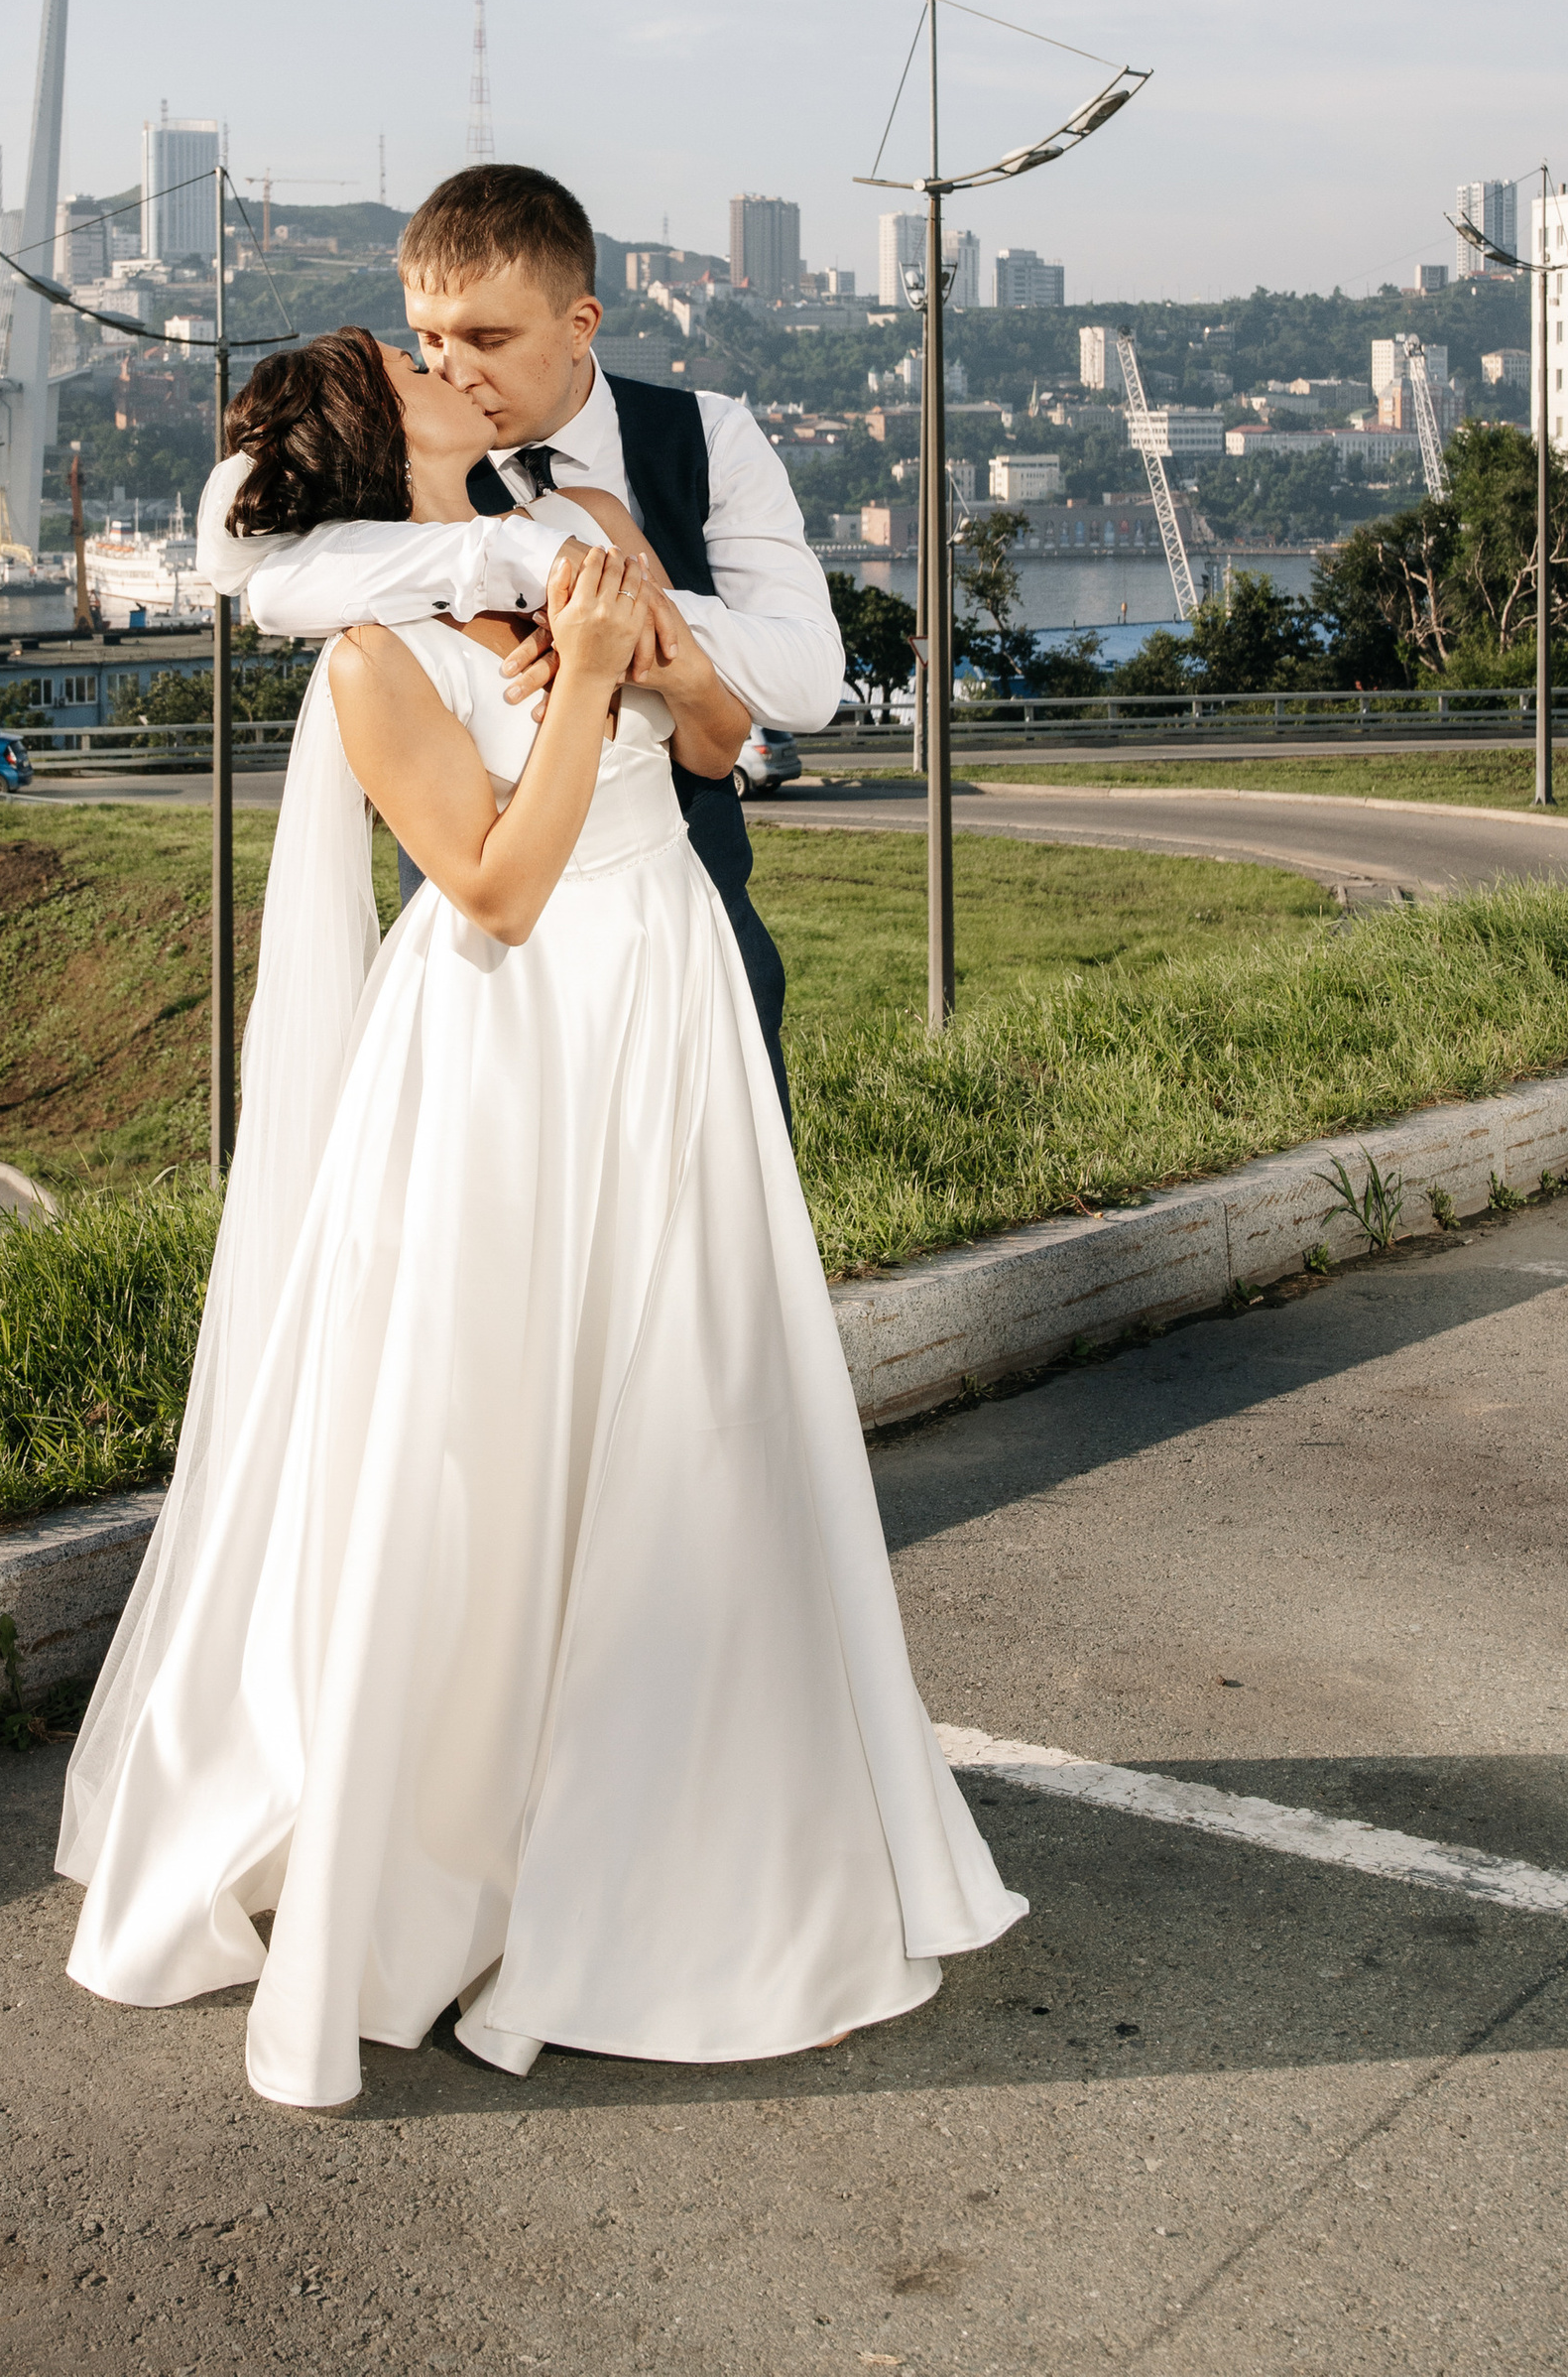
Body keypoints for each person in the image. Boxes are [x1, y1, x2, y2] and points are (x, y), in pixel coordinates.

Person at [57, 325, 1021, 2109]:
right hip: (516, 1040)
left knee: (703, 1409)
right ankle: (478, 1855)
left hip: (669, 996)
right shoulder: (367, 654)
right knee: (496, 1439)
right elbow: (494, 890)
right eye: (413, 361)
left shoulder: (576, 509)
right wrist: (583, 677)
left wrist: (656, 657)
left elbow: (724, 745)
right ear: (372, 431)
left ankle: (725, 1857)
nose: (452, 363)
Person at [195, 163, 840, 1117]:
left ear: (580, 325)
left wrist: (620, 616)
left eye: (487, 338)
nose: (454, 368)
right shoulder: (377, 535)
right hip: (496, 979)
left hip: (696, 941)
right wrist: (516, 559)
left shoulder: (704, 442)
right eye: (425, 342)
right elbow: (250, 575)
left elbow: (807, 683)